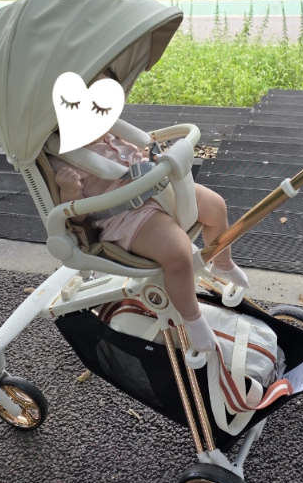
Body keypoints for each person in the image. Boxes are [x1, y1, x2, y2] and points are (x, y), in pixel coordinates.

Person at [49, 131, 250, 352]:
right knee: (178, 254)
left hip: (159, 188)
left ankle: (222, 263)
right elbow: (76, 216)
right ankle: (192, 318)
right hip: (127, 215)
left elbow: (139, 155)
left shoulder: (112, 133)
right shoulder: (66, 159)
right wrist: (69, 190)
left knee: (216, 207)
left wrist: (150, 155)